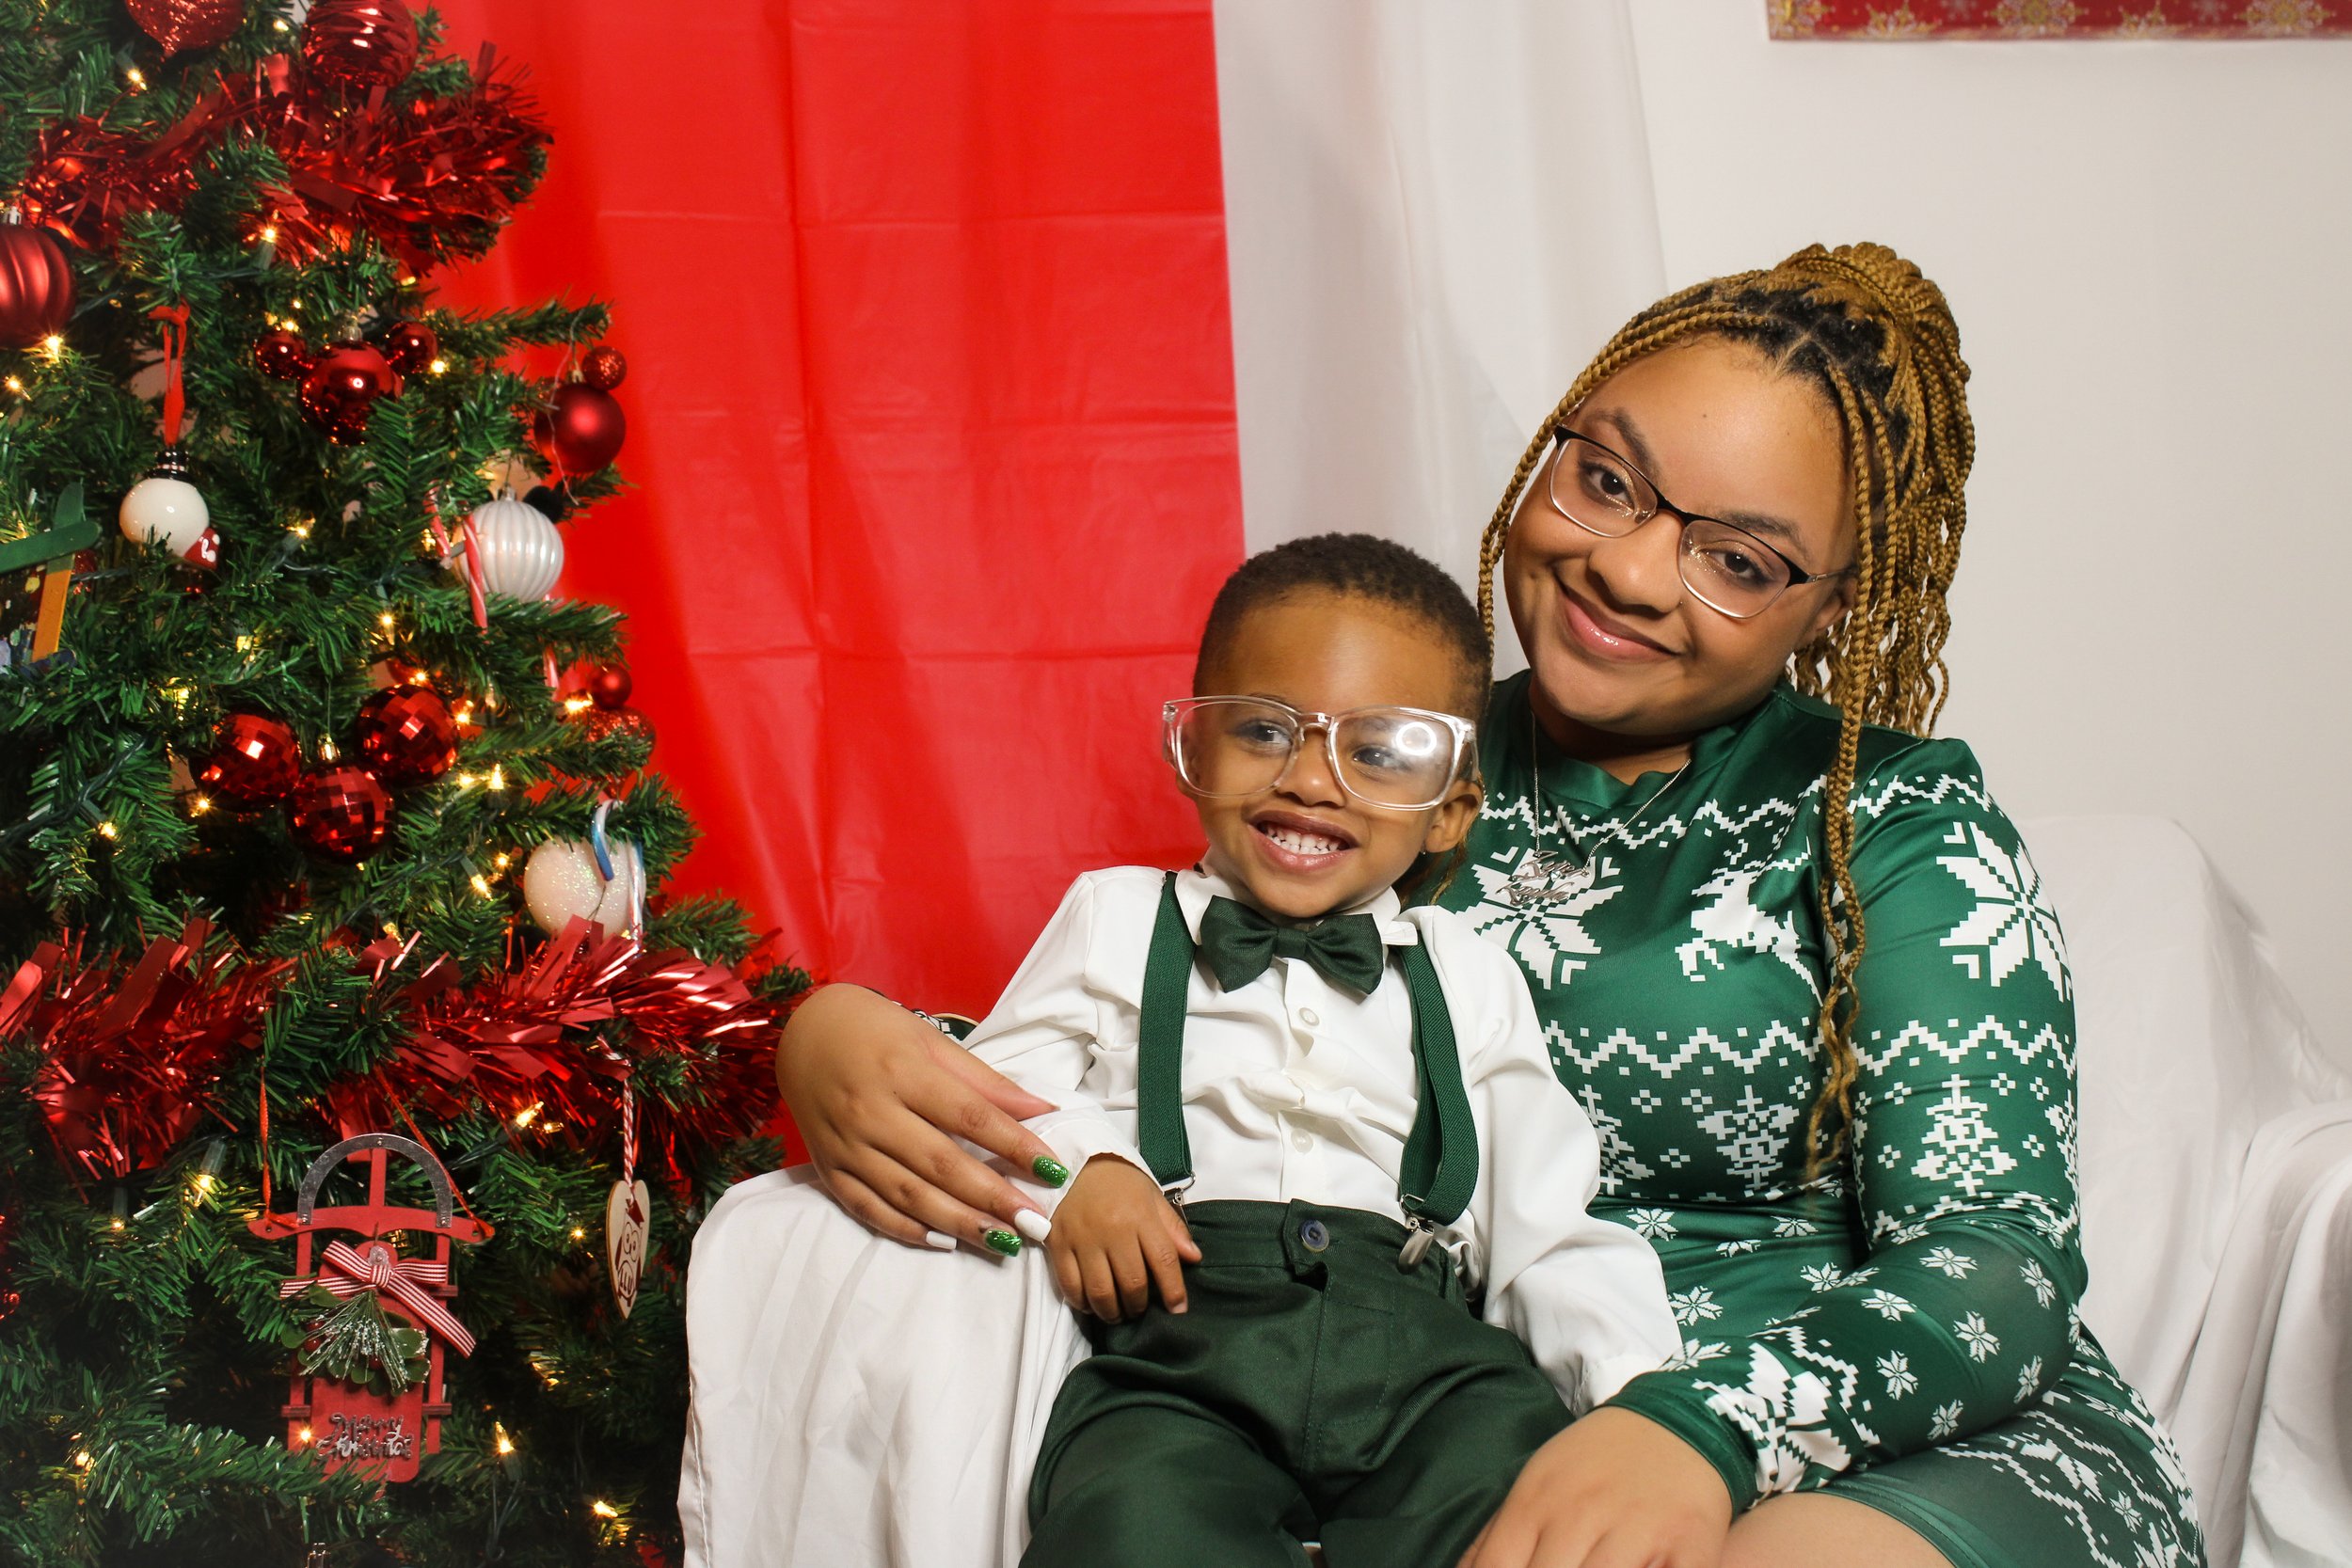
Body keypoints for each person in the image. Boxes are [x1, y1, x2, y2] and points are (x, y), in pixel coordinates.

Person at [714, 243, 2204, 1568]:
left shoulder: (1899, 817)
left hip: (1875, 1428)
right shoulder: (1373, 774)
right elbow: (1183, 1040)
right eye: (1606, 478)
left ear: (1836, 606)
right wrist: (838, 1034)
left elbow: (1996, 1254)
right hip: (1467, 1420)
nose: (1624, 565)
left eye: (1736, 558)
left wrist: (1703, 1426)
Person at [962, 535, 1679, 1567]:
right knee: (1126, 1519)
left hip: (1427, 1354)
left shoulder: (1468, 971)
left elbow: (1546, 1218)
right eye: (1262, 729)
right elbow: (989, 1093)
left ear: (1451, 810)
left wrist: (1636, 1393)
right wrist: (1090, 1168)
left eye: (1380, 749)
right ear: (1195, 748)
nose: (1310, 779)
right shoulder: (1115, 915)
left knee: (1513, 1482)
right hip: (1180, 1349)